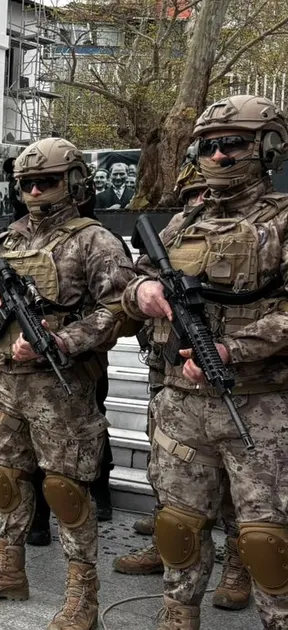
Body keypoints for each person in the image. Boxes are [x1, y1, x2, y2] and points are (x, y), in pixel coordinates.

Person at [0, 137, 136, 629]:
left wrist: (64, 341)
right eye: (27, 183)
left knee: (65, 490)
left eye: (47, 181)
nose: (35, 191)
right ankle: (8, 569)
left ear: (74, 182)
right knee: (5, 479)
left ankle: (83, 594)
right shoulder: (7, 239)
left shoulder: (94, 240)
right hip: (3, 385)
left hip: (61, 391)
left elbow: (122, 311)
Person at [123, 94, 288, 629]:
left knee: (266, 541)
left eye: (232, 145)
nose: (217, 157)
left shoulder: (283, 222)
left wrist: (231, 349)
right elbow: (129, 287)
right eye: (208, 147)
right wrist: (143, 290)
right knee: (178, 526)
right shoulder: (180, 223)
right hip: (181, 404)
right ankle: (178, 616)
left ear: (268, 147)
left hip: (260, 405)